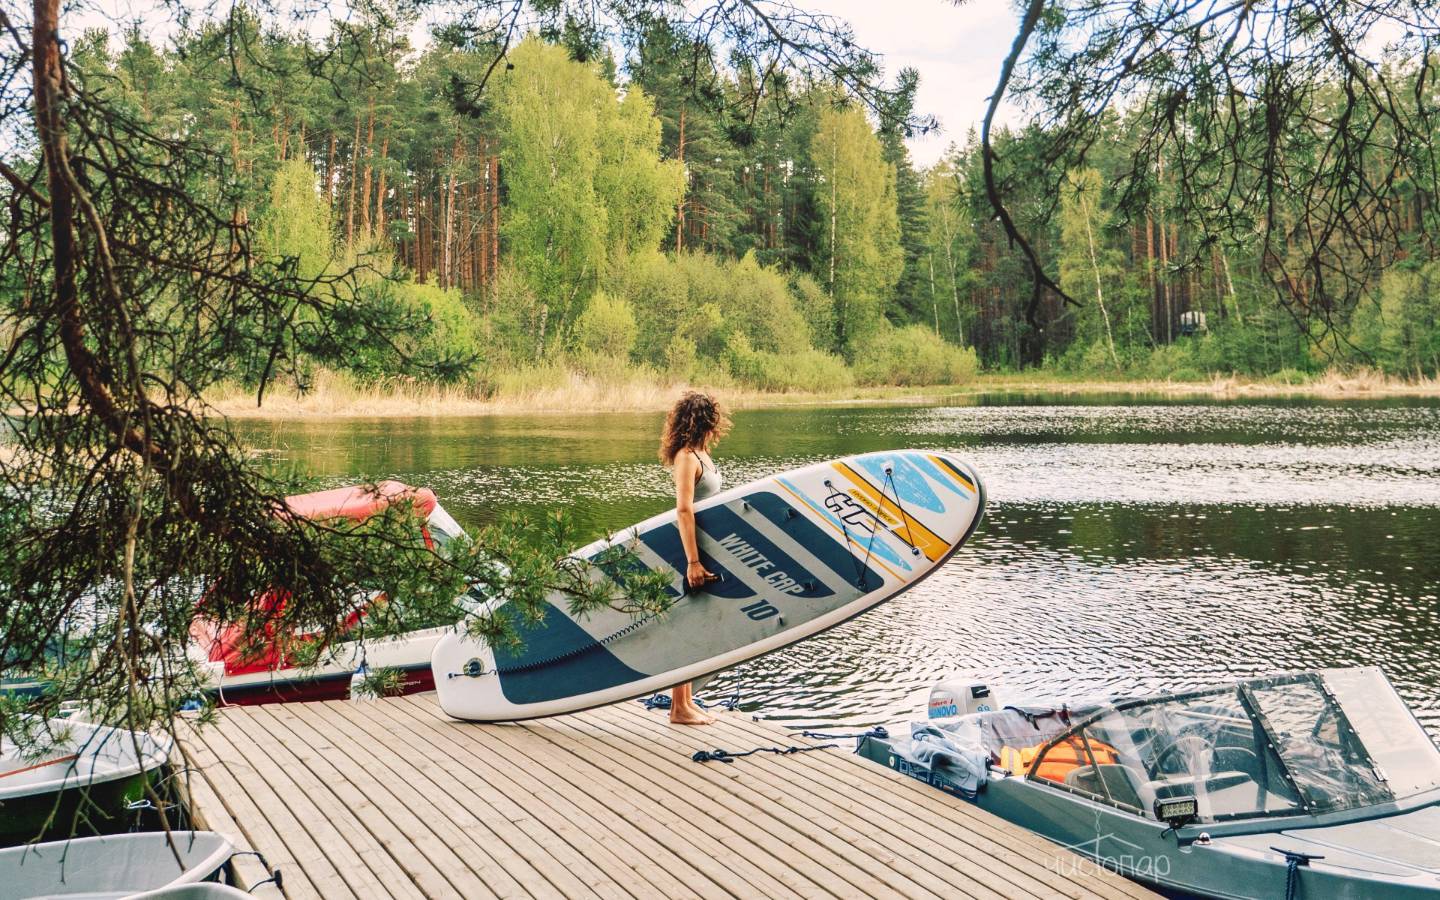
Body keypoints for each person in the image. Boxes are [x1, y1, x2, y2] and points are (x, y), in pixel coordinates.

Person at [658, 390, 731, 725]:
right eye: (713, 416)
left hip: (703, 550)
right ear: (705, 419)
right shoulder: (687, 457)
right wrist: (693, 561)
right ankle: (678, 708)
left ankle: (686, 701)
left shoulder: (703, 453)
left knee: (694, 624)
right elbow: (684, 509)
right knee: (685, 627)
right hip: (687, 552)